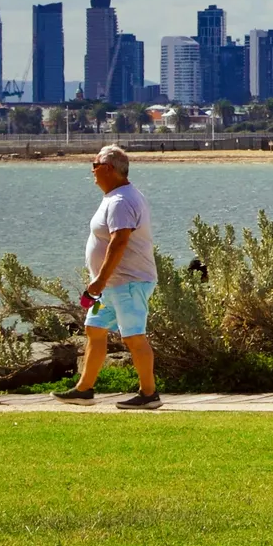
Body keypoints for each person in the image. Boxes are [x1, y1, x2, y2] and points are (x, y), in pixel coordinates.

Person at [57, 144, 161, 409]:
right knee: (95, 329)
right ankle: (84, 389)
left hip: (127, 282)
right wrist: (101, 282)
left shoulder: (122, 201)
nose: (91, 171)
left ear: (108, 168)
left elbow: (119, 242)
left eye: (94, 165)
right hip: (110, 287)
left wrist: (100, 279)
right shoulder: (115, 197)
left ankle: (149, 394)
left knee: (133, 336)